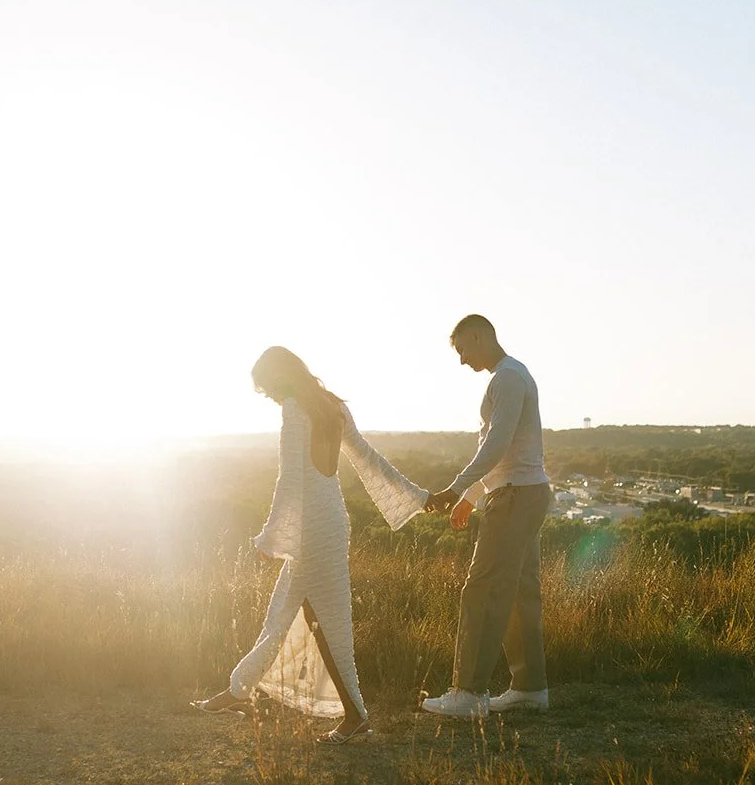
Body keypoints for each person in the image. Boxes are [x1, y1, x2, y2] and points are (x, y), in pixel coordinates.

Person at [193, 346, 429, 743]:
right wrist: (417, 496)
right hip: (332, 521)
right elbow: (368, 458)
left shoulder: (293, 409)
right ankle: (237, 690)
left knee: (328, 628)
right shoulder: (332, 405)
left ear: (279, 377)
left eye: (265, 387)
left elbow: (290, 481)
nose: (266, 395)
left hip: (310, 530)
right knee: (284, 616)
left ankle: (355, 716)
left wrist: (271, 536)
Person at [422, 315, 552, 718]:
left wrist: (458, 488)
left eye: (462, 348)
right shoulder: (513, 375)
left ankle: (468, 693)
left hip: (514, 498)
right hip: (524, 492)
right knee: (518, 592)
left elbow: (497, 444)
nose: (461, 360)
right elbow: (507, 453)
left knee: (482, 589)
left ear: (479, 336)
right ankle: (530, 688)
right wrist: (473, 497)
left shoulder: (508, 378)